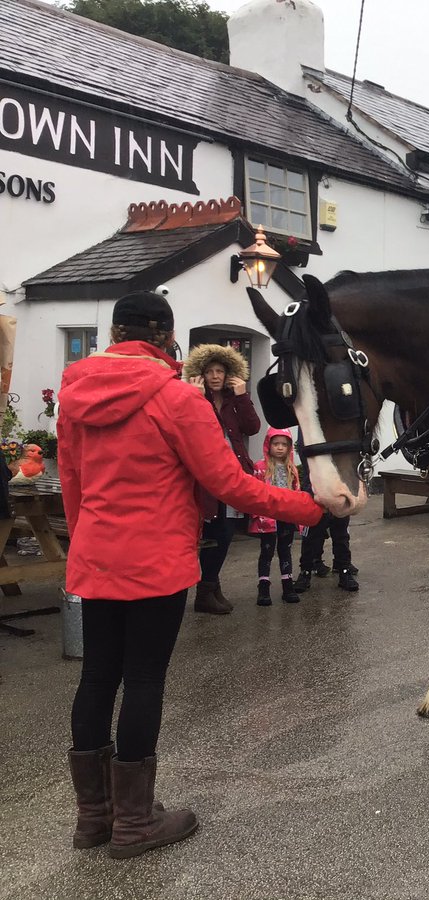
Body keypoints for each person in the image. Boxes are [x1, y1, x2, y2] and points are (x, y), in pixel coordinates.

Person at [59, 291, 324, 859]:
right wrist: (306, 506)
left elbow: (72, 480)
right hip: (153, 561)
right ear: (165, 339)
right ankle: (134, 824)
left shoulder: (75, 392)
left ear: (114, 335)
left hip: (96, 555)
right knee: (144, 678)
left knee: (98, 676)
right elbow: (228, 481)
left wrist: (87, 543)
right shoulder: (177, 399)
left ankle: (94, 818)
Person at [182, 344, 259, 614]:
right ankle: (206, 590)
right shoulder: (194, 397)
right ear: (201, 374)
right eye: (210, 371)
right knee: (214, 532)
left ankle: (210, 586)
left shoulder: (232, 400)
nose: (215, 376)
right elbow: (187, 429)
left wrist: (242, 396)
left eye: (220, 371)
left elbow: (252, 427)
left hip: (231, 473)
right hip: (205, 477)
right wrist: (195, 397)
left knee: (225, 532)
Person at [293, 430, 358, 593]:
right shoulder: (309, 420)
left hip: (340, 485)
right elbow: (305, 450)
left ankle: (344, 569)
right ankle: (305, 571)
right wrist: (312, 488)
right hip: (316, 487)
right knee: (311, 534)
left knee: (341, 532)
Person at [248, 428, 304, 605]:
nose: (280, 448)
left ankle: (287, 586)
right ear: (268, 445)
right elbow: (254, 492)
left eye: (284, 444)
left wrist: (297, 514)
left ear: (289, 447)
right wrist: (257, 515)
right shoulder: (260, 467)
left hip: (285, 516)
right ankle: (263, 587)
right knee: (266, 552)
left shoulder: (292, 469)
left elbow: (296, 492)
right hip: (267, 518)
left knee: (285, 551)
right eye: (275, 444)